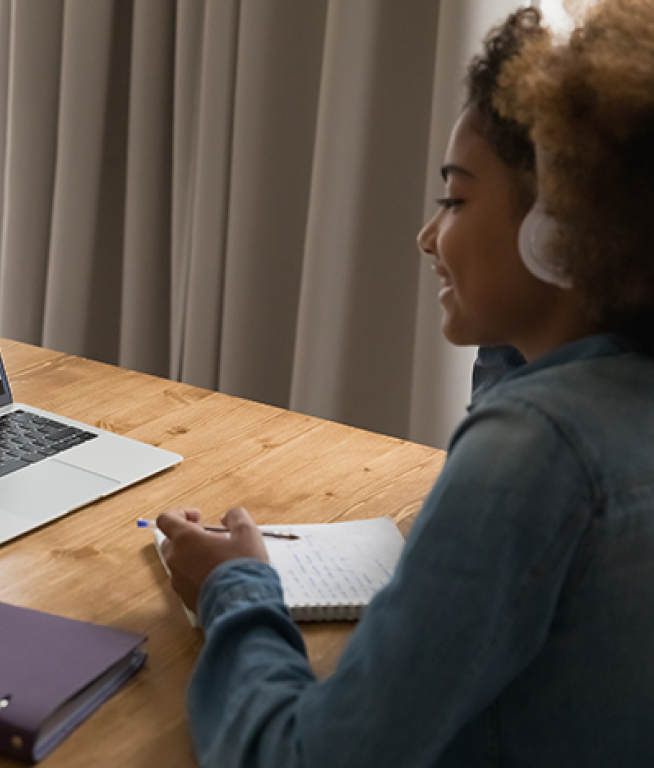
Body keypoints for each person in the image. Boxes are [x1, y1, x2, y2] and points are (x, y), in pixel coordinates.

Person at [156, 3, 654, 766]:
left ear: (556, 229)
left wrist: (238, 588)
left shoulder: (538, 447)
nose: (428, 236)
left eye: (455, 199)